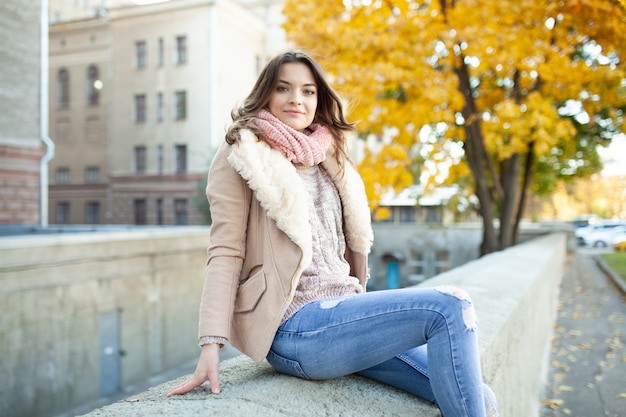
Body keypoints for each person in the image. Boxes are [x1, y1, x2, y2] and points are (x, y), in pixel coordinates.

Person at [166, 50, 498, 417]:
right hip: (294, 327)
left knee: (481, 397)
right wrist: (210, 343)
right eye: (284, 88)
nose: (297, 99)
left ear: (319, 99)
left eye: (308, 91)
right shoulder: (243, 153)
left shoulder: (329, 156)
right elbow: (225, 252)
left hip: (345, 313)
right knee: (451, 305)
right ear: (266, 94)